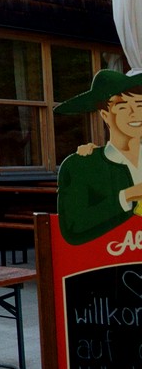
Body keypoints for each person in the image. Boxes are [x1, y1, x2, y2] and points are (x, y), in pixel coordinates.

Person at [55, 69, 142, 244]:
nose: (135, 113)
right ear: (105, 115)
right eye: (123, 107)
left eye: (140, 105)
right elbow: (73, 226)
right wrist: (127, 195)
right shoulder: (81, 166)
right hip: (111, 256)